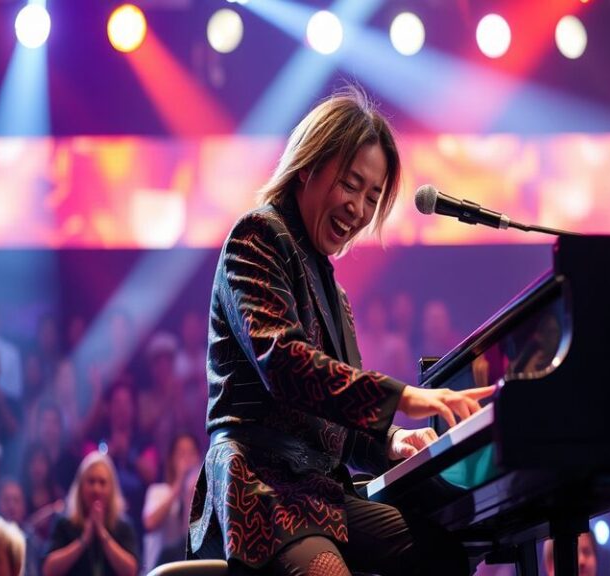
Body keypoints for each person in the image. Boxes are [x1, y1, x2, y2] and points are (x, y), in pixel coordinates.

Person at [189, 87, 495, 576]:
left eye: (372, 197)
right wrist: (406, 398)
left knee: (444, 554)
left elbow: (338, 424)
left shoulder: (337, 296)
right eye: (352, 185)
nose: (359, 208)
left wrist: (391, 440)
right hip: (262, 491)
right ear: (309, 166)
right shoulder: (258, 237)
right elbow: (286, 366)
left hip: (320, 496)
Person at [42, 451, 138, 576]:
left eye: (102, 482)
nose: (96, 489)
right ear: (80, 486)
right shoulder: (64, 524)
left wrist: (102, 534)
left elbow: (131, 571)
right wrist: (84, 540)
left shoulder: (123, 526)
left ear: (112, 488)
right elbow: (49, 569)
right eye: (91, 482)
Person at [142, 433, 202, 573]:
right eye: (181, 453)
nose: (187, 459)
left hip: (187, 566)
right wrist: (179, 484)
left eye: (191, 453)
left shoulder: (200, 495)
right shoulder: (158, 491)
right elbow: (149, 523)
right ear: (171, 459)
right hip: (158, 568)